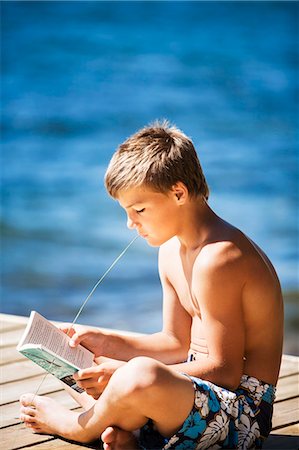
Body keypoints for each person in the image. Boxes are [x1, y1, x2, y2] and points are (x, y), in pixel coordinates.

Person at [20, 121, 283, 449]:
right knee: (85, 358)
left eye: (139, 210)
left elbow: (225, 371)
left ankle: (78, 426)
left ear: (178, 193)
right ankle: (128, 428)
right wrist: (105, 342)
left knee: (138, 375)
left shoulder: (221, 258)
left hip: (240, 417)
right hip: (187, 395)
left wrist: (124, 372)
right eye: (126, 212)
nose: (131, 224)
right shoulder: (172, 250)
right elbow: (174, 342)